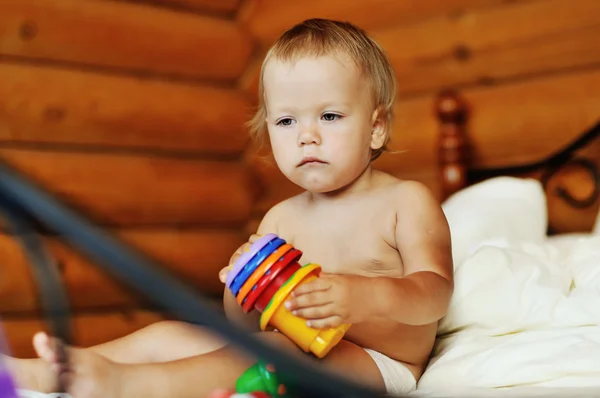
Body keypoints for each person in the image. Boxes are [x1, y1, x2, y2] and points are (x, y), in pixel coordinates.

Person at [5, 18, 454, 397]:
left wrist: (361, 296)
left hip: (377, 364)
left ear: (376, 128)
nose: (306, 135)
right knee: (177, 334)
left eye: (330, 116)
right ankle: (44, 371)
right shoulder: (281, 219)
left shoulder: (403, 201)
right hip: (291, 343)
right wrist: (242, 289)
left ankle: (124, 384)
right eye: (286, 120)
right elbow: (246, 323)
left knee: (276, 353)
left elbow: (434, 293)